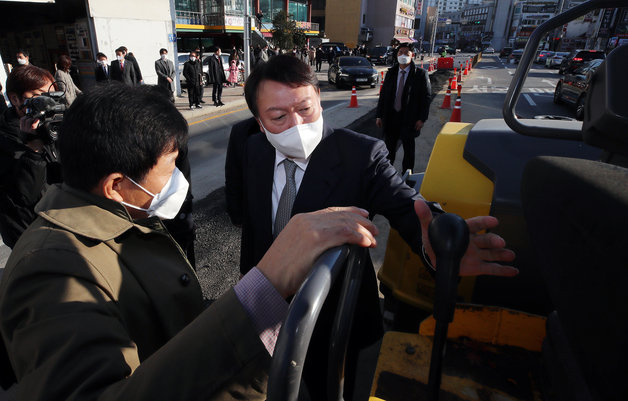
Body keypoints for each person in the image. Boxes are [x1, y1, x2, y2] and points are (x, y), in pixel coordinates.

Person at [0, 83, 379, 399]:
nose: (178, 181)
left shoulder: (126, 217)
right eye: (170, 167)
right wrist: (263, 288)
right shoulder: (52, 270)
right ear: (116, 186)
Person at [241, 54, 517, 400]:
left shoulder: (361, 155)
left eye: (305, 109)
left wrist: (436, 240)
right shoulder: (253, 150)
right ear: (259, 122)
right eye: (279, 117)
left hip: (333, 321)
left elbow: (405, 205)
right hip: (266, 309)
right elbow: (253, 229)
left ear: (319, 99)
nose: (297, 124)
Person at [0, 65, 62, 249]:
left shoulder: (50, 124)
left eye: (51, 95)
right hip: (29, 234)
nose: (46, 102)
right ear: (14, 99)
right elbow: (25, 195)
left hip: (59, 223)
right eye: (38, 96)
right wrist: (33, 148)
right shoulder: (5, 139)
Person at [376, 43, 431, 173]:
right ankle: (387, 176)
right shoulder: (391, 73)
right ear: (396, 55)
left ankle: (407, 178)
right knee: (389, 149)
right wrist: (379, 115)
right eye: (400, 52)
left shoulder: (420, 74)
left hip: (409, 118)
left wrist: (422, 119)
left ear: (412, 56)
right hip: (391, 117)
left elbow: (426, 98)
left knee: (408, 150)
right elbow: (383, 96)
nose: (403, 55)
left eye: (407, 53)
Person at [225, 117, 261, 226]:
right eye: (278, 117)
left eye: (305, 109)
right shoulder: (242, 131)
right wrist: (237, 215)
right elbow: (233, 178)